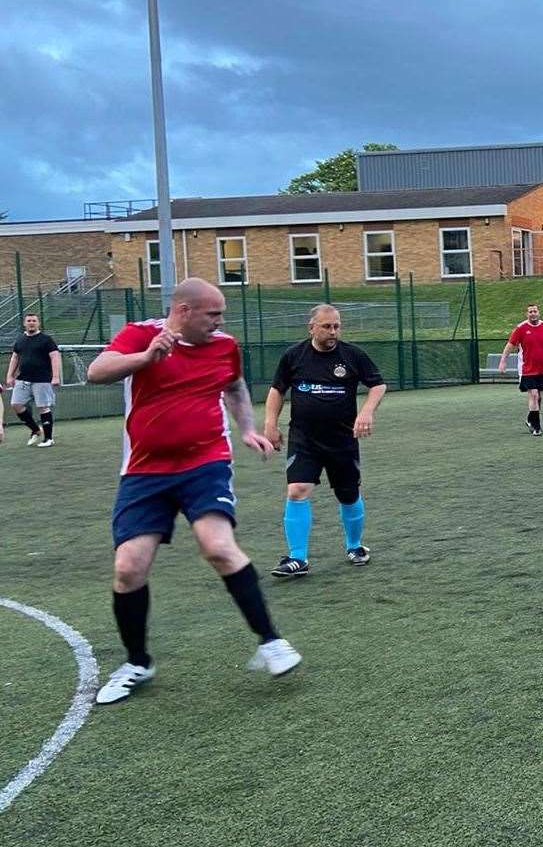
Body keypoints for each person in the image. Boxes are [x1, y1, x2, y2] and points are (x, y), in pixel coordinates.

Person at [85, 277, 301, 705]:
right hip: (144, 472)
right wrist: (146, 358)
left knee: (217, 545)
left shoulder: (223, 345)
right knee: (128, 568)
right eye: (213, 315)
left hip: (205, 463)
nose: (220, 323)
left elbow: (234, 386)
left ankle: (271, 642)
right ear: (184, 311)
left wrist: (246, 429)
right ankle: (137, 662)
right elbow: (96, 372)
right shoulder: (142, 334)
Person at [263, 304, 387, 578]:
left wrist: (366, 411)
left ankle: (354, 546)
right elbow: (277, 390)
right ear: (312, 328)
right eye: (327, 327)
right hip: (304, 439)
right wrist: (270, 425)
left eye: (337, 326)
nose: (333, 332)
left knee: (348, 494)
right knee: (297, 489)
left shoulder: (353, 355)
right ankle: (297, 558)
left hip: (342, 438)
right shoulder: (294, 356)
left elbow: (378, 385)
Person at [500, 303, 543, 435]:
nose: (533, 313)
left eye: (535, 311)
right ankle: (536, 427)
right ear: (527, 314)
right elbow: (510, 345)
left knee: (539, 397)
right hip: (526, 369)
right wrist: (503, 361)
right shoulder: (521, 328)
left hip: (541, 369)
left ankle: (530, 418)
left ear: (538, 313)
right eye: (530, 312)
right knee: (534, 395)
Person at [7, 313, 61, 447]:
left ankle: (48, 438)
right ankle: (35, 430)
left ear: (38, 323)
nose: (31, 323)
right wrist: (10, 375)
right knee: (16, 404)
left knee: (43, 407)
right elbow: (15, 358)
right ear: (24, 323)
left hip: (42, 379)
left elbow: (55, 357)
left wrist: (55, 376)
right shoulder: (20, 340)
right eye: (29, 321)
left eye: (34, 321)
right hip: (23, 379)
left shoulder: (46, 340)